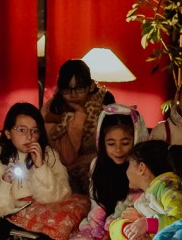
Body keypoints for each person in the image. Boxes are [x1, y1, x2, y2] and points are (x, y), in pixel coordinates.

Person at [0, 102, 87, 240]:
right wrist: (4, 183)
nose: (29, 136)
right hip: (8, 216)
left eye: (35, 130)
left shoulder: (48, 155)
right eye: (22, 130)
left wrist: (41, 167)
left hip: (39, 217)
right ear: (8, 133)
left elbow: (58, 196)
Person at [52, 105, 144, 240]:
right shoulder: (97, 165)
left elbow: (131, 213)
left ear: (137, 138)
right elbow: (97, 205)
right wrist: (95, 234)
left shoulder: (140, 169)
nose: (118, 150)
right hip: (100, 224)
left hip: (128, 228)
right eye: (111, 143)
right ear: (102, 142)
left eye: (125, 143)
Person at [41, 59, 134, 192]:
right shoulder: (51, 111)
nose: (73, 95)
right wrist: (79, 114)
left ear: (90, 86)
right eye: (68, 89)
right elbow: (68, 158)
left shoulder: (103, 105)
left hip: (105, 168)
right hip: (63, 173)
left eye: (79, 88)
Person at [108, 139, 182, 240]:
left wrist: (148, 224)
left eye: (129, 164)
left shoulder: (168, 188)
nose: (126, 170)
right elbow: (113, 227)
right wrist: (128, 228)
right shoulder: (144, 197)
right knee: (123, 239)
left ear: (141, 168)